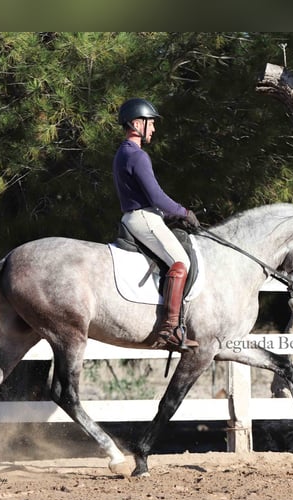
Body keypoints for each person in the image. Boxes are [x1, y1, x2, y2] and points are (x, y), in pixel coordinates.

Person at [113, 97, 200, 351]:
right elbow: (156, 197)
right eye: (150, 123)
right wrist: (184, 212)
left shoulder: (123, 153)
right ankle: (170, 328)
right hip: (143, 217)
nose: (153, 129)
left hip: (136, 215)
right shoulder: (137, 156)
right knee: (180, 263)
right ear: (137, 123)